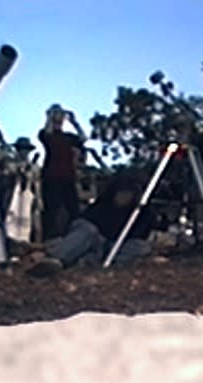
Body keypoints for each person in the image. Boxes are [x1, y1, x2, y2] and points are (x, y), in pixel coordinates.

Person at [27, 171, 153, 277]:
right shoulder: (102, 206)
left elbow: (140, 235)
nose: (123, 197)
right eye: (121, 193)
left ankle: (88, 264)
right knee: (87, 230)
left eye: (128, 194)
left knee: (140, 247)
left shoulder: (141, 213)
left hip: (114, 249)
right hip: (93, 241)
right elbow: (85, 224)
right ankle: (56, 260)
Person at [38, 103, 86, 240]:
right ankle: (47, 238)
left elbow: (83, 139)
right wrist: (49, 117)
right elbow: (46, 134)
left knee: (73, 209)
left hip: (68, 177)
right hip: (51, 177)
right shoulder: (46, 134)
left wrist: (75, 122)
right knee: (51, 210)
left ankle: (74, 237)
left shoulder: (69, 137)